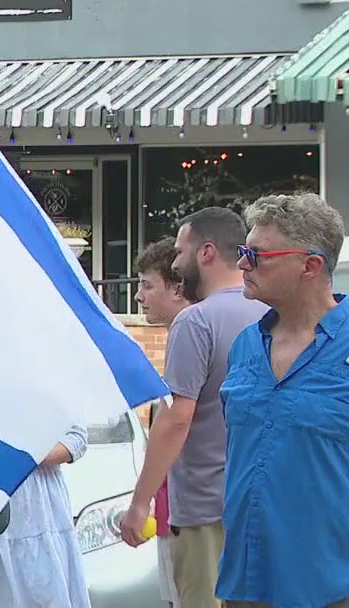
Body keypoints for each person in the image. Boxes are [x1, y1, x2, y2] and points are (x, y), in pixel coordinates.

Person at [219, 193, 349, 608]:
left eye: (257, 255)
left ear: (310, 266)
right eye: (244, 252)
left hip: (335, 591)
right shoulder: (246, 346)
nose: (243, 264)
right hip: (245, 586)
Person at [119, 207, 267, 608]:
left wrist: (139, 503)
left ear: (206, 253)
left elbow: (176, 419)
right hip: (265, 503)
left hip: (204, 508)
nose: (177, 263)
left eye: (181, 253)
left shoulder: (196, 322)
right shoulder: (273, 313)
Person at [132, 237, 193, 608]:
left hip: (189, 513)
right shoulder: (179, 338)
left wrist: (140, 503)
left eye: (147, 285)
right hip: (173, 511)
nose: (139, 296)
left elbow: (176, 424)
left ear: (178, 288)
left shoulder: (192, 333)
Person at [0, 425, 91, 608]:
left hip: (41, 507)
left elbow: (77, 439)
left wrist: (29, 455)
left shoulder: (57, 396)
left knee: (46, 588)